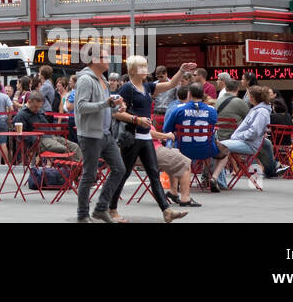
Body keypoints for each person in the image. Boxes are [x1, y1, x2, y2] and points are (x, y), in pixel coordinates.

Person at [106, 56, 192, 222]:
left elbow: (171, 84)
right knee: (123, 174)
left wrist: (181, 70)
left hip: (146, 138)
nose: (145, 70)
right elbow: (115, 112)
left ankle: (166, 211)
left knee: (153, 174)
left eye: (146, 67)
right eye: (141, 68)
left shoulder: (147, 86)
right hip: (132, 138)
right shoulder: (126, 89)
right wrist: (136, 119)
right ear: (132, 71)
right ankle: (112, 208)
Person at [72, 50, 127, 223]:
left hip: (105, 134)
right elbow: (81, 107)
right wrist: (107, 103)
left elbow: (103, 106)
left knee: (119, 169)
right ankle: (82, 215)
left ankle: (101, 209)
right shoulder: (86, 80)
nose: (109, 60)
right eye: (105, 57)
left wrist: (115, 108)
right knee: (89, 175)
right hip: (90, 134)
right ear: (94, 59)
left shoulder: (102, 80)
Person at [209, 86, 272, 191]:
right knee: (221, 147)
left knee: (221, 146)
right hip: (244, 141)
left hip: (248, 143)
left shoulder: (261, 112)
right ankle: (217, 180)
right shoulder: (257, 110)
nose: (247, 97)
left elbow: (254, 132)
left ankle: (217, 180)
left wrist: (238, 136)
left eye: (248, 95)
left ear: (252, 97)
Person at [13, 90, 81, 159]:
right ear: (29, 101)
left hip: (50, 137)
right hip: (39, 140)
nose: (38, 109)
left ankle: (80, 168)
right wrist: (34, 139)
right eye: (36, 107)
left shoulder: (39, 111)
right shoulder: (21, 115)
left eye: (39, 107)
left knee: (75, 147)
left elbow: (46, 125)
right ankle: (74, 168)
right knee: (63, 149)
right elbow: (21, 136)